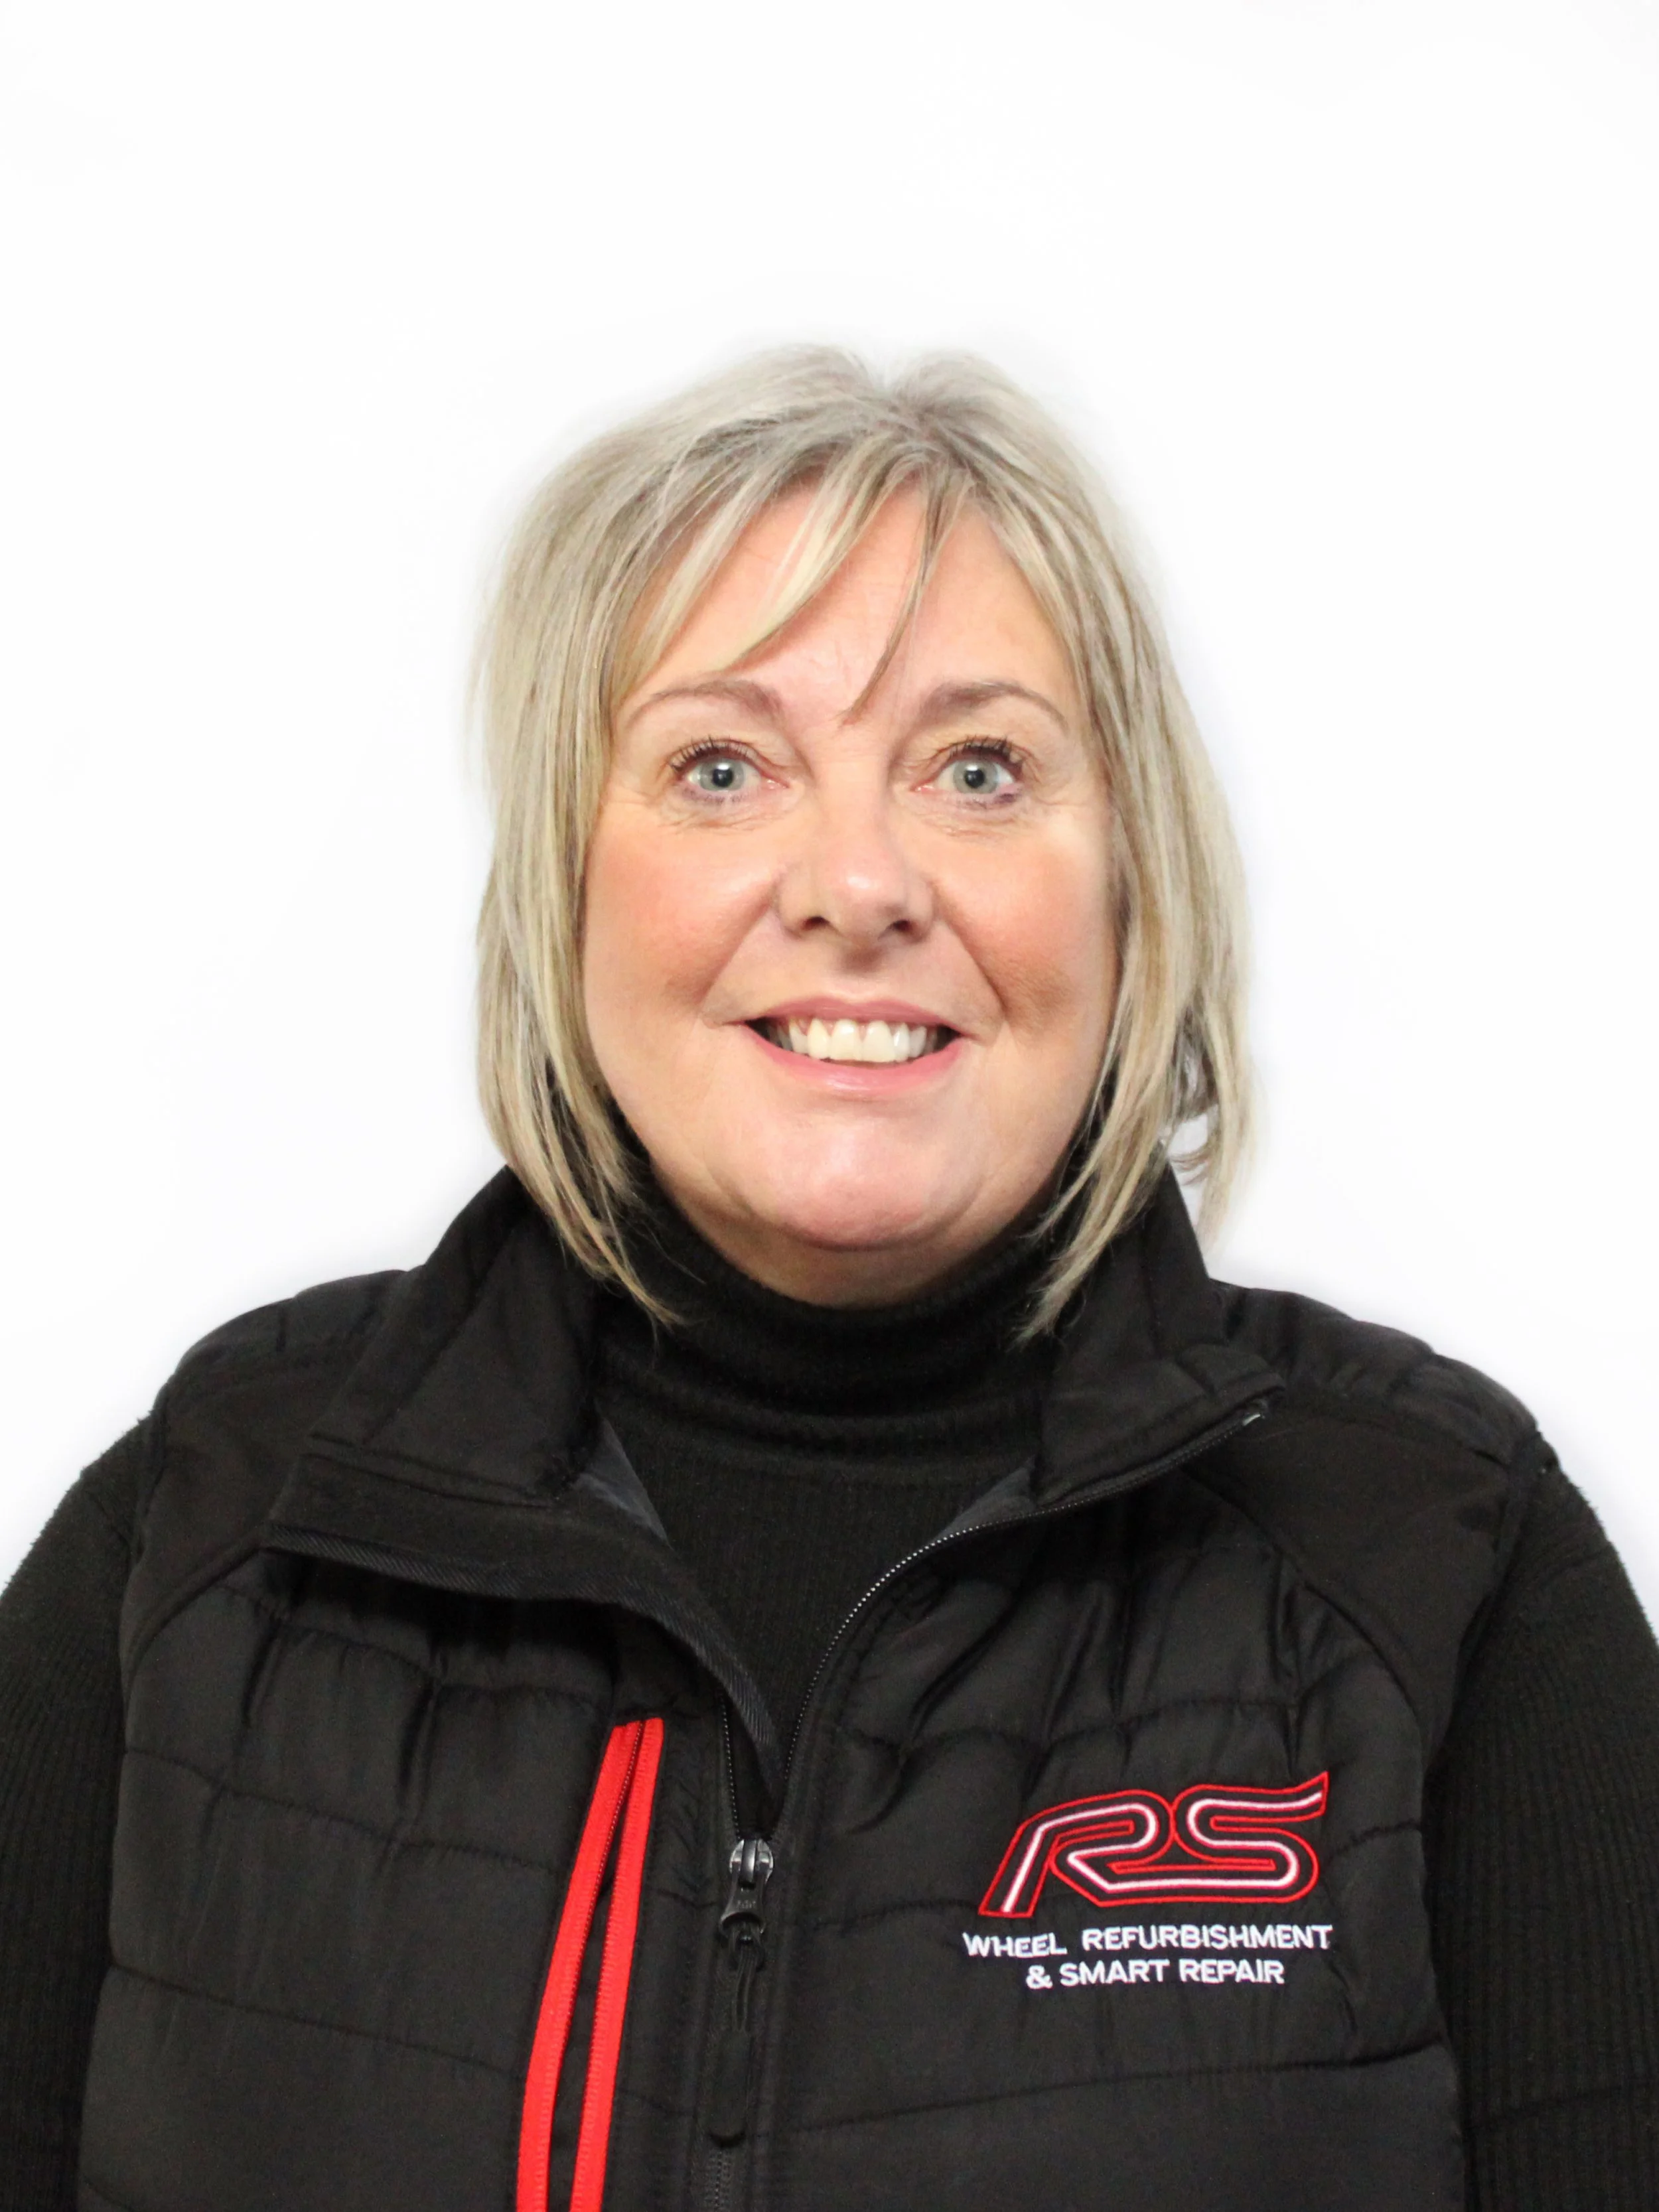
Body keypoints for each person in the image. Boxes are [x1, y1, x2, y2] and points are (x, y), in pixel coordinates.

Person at [2, 350, 1656, 2212]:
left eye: (978, 767)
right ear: (566, 881)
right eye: (722, 765)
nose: (856, 880)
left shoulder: (1440, 1554)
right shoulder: (210, 1530)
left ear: (1131, 882)